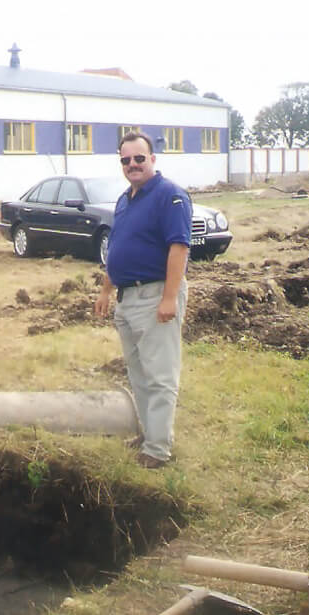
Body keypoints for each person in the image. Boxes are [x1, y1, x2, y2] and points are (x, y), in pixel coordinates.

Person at [94, 131, 192, 469]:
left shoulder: (170, 196)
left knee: (161, 375)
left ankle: (158, 450)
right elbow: (117, 247)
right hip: (126, 297)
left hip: (154, 296)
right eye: (126, 160)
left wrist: (168, 298)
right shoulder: (125, 200)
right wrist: (107, 289)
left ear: (153, 159)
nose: (132, 165)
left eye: (139, 158)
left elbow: (178, 248)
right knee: (138, 373)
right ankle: (150, 434)